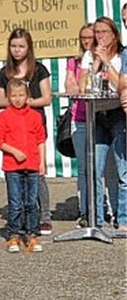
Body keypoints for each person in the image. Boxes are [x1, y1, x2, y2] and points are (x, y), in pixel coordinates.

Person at [0, 28, 53, 235]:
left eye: (21, 46)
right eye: (13, 46)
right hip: (13, 126)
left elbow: (47, 97)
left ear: (29, 48)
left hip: (34, 121)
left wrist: (29, 101)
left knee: (37, 173)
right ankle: (21, 219)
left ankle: (44, 215)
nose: (17, 50)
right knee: (18, 173)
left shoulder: (39, 69)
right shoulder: (4, 73)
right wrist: (14, 101)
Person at [69, 16, 126, 230]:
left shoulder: (122, 55)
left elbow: (120, 85)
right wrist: (96, 62)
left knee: (122, 170)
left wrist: (108, 62)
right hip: (97, 114)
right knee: (95, 169)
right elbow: (84, 86)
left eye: (104, 32)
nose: (100, 36)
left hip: (117, 113)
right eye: (97, 33)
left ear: (114, 34)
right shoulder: (88, 56)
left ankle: (123, 219)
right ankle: (96, 220)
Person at [0, 79, 46, 253]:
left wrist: (42, 162)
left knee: (31, 203)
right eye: (13, 95)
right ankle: (13, 234)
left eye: (21, 95)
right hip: (13, 166)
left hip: (32, 165)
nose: (17, 99)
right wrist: (14, 151)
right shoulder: (4, 116)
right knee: (15, 203)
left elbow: (41, 140)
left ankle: (32, 234)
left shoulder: (35, 116)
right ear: (8, 97)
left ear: (27, 96)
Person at [64, 23, 100, 225]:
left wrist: (81, 84)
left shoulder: (102, 59)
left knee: (103, 166)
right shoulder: (74, 61)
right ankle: (85, 210)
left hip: (100, 117)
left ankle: (105, 209)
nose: (87, 41)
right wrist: (78, 84)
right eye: (83, 37)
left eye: (90, 37)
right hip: (80, 117)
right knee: (84, 168)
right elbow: (70, 87)